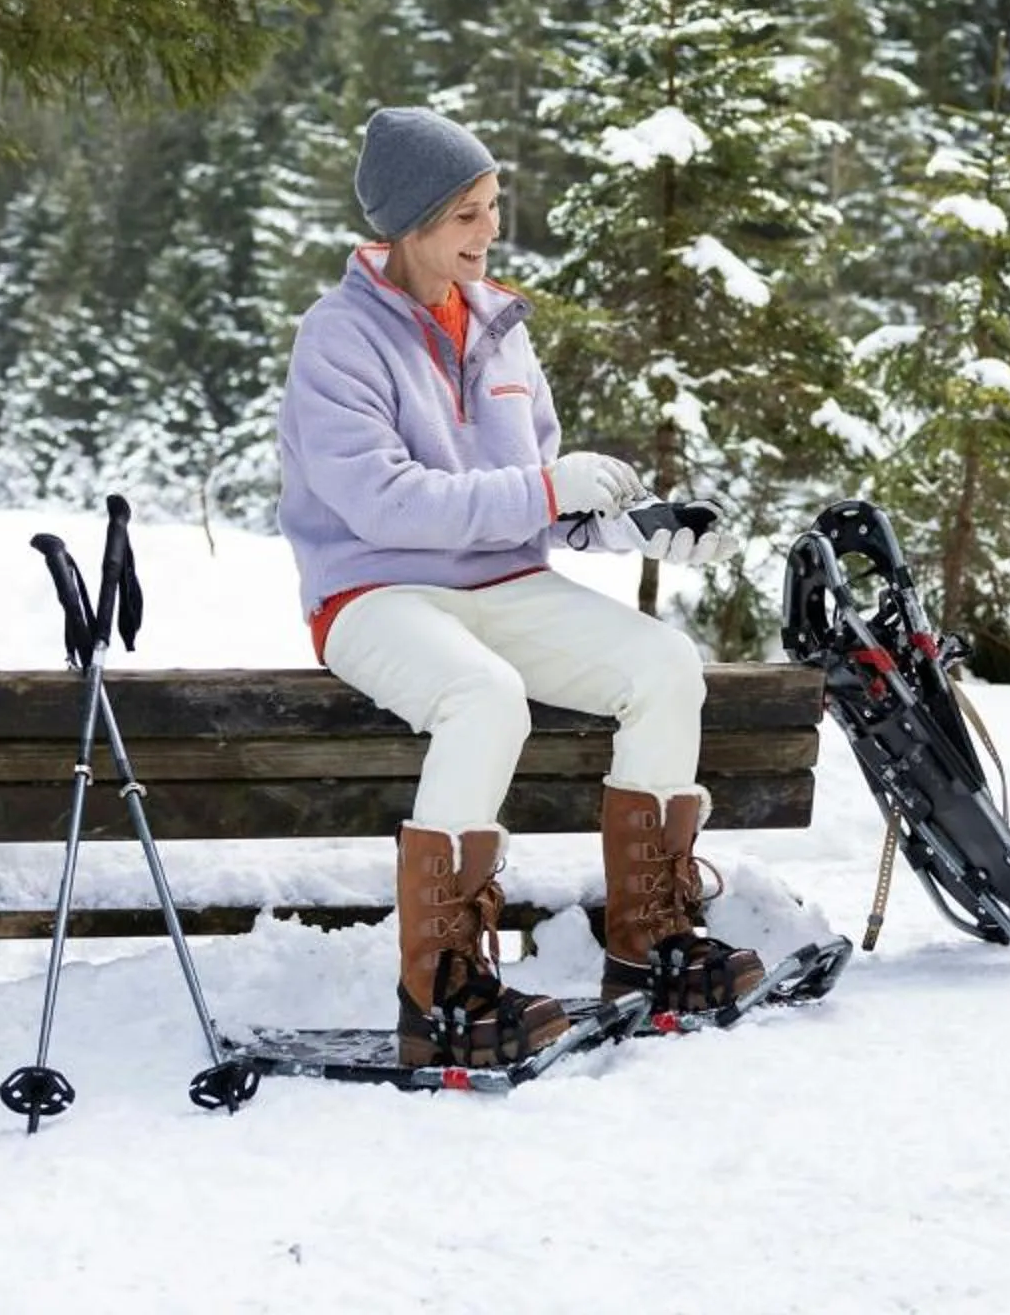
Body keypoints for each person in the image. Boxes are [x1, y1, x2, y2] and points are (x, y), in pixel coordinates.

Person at [276, 106, 765, 1065]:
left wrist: (636, 526)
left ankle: (651, 942)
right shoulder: (336, 339)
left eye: (493, 207)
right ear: (408, 224)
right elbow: (386, 502)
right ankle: (445, 990)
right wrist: (545, 488)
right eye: (466, 214)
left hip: (504, 583)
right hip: (373, 593)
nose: (489, 230)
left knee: (665, 664)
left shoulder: (500, 328)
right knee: (483, 696)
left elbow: (536, 504)